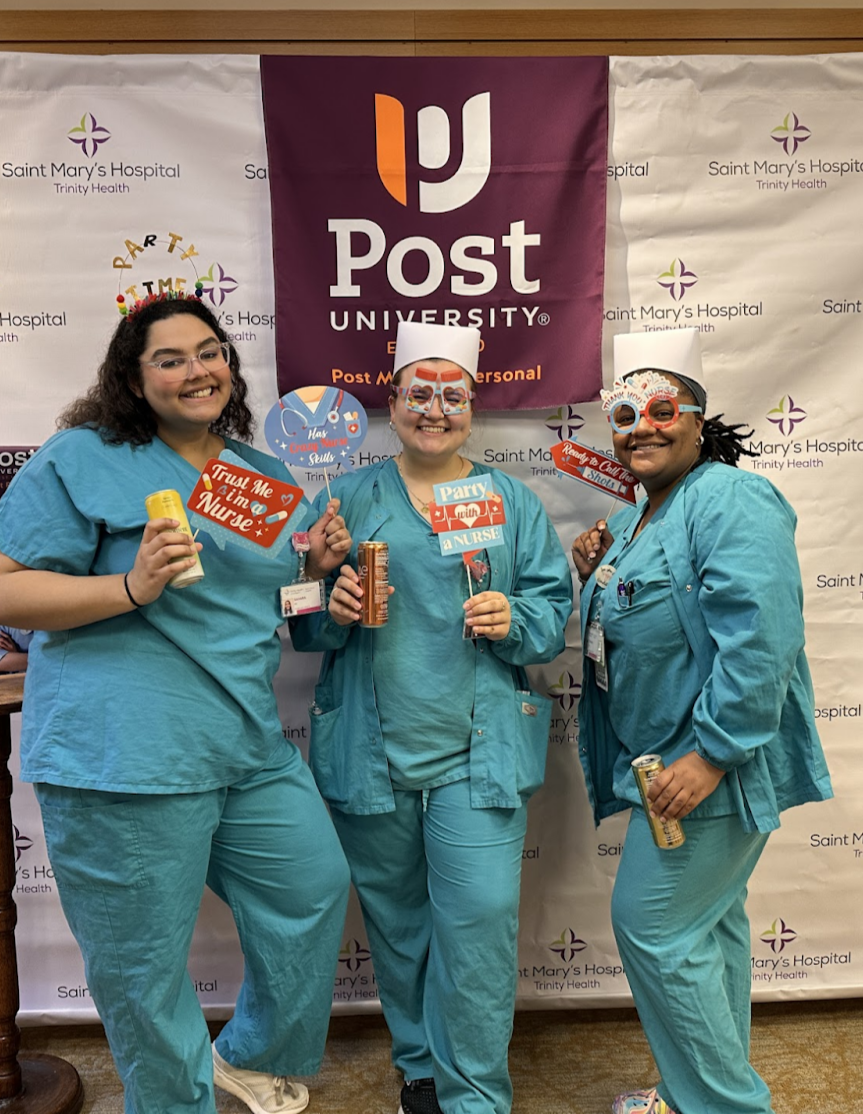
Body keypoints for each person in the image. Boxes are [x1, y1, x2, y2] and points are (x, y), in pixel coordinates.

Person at [0, 289, 353, 1114]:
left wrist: (316, 571)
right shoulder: (81, 455)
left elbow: (269, 604)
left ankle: (250, 1058)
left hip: (245, 744)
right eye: (170, 358)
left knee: (312, 887)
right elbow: (1, 596)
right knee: (143, 972)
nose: (197, 370)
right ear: (132, 377)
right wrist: (130, 584)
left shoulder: (259, 474)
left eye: (209, 351)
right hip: (126, 754)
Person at [292, 321, 573, 1114]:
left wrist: (512, 615)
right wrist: (329, 600)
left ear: (473, 408)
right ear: (393, 402)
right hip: (369, 748)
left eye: (453, 395)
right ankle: (419, 1063)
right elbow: (294, 618)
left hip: (475, 752)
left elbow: (553, 612)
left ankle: (475, 1092)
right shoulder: (344, 499)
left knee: (479, 920)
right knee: (398, 920)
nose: (436, 409)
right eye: (421, 393)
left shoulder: (506, 501)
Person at [570, 329, 833, 1114]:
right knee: (708, 934)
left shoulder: (729, 497)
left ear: (696, 419)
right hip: (659, 765)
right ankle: (696, 1094)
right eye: (624, 413)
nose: (640, 426)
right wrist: (593, 571)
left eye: (660, 409)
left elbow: (763, 639)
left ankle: (722, 1106)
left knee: (653, 929)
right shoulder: (637, 517)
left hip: (709, 772)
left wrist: (712, 754)